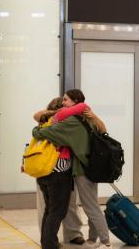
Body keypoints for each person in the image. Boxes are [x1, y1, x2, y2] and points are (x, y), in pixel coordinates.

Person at [32, 89, 111, 247]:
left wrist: (36, 130)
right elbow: (103, 130)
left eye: (66, 100)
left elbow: (43, 132)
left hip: (79, 170)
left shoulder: (71, 121)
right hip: (90, 167)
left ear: (75, 102)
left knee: (86, 207)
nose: (63, 103)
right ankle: (93, 238)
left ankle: (104, 240)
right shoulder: (86, 119)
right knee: (90, 205)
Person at [32, 97, 86, 246]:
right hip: (59, 171)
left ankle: (47, 240)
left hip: (43, 170)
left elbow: (37, 119)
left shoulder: (44, 124)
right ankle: (50, 243)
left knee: (50, 209)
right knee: (57, 211)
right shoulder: (61, 124)